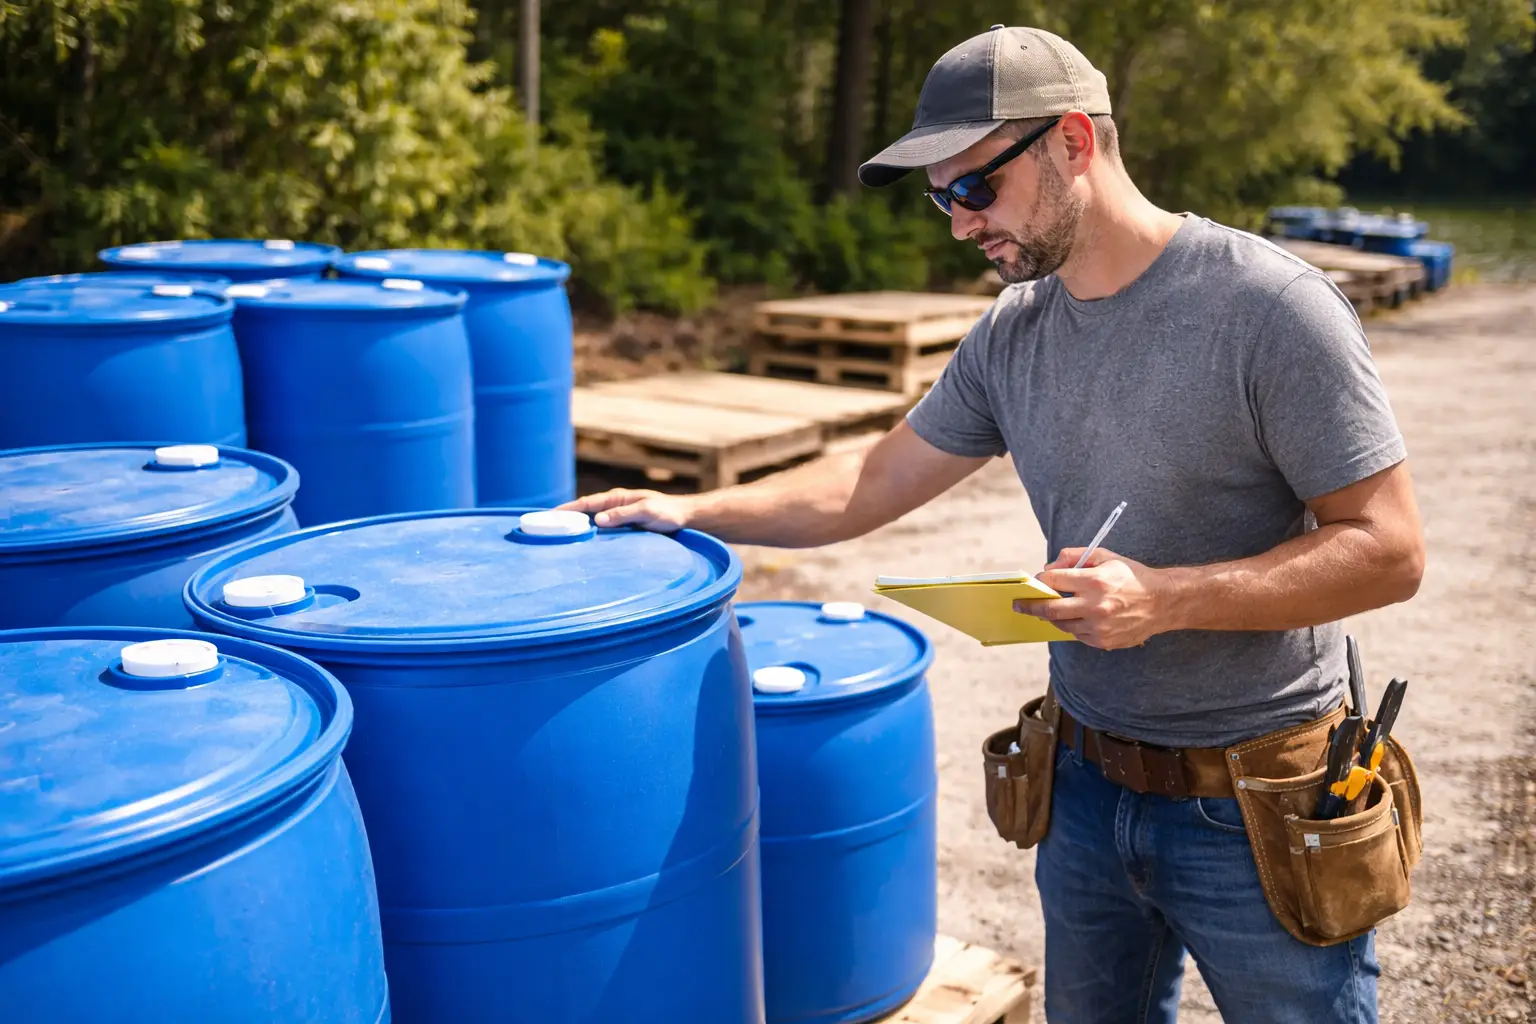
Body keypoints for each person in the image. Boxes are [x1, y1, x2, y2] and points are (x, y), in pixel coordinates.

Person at [562, 24, 1425, 1024]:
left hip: (1264, 800)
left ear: (1073, 142)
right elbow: (872, 478)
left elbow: (1390, 550)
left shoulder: (1272, 310)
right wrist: (690, 508)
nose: (961, 225)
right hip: (1086, 787)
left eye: (975, 187)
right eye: (942, 199)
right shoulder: (1013, 332)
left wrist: (1166, 599)